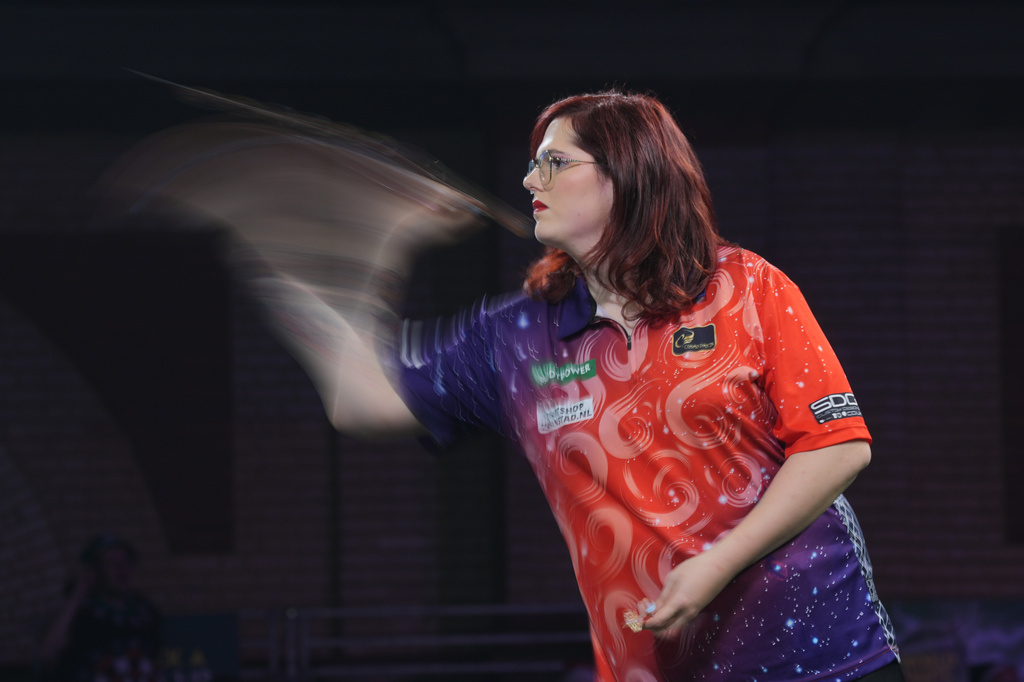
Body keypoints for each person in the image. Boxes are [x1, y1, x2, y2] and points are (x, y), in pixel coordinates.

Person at [256, 91, 903, 681]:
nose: (529, 179)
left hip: (828, 658)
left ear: (627, 173)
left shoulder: (747, 288)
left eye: (555, 162)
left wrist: (715, 565)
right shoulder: (515, 337)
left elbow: (837, 448)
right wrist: (361, 249)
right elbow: (359, 397)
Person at [37, 534, 161, 682]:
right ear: (94, 571)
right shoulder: (79, 611)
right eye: (112, 563)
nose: (122, 570)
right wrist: (79, 594)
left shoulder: (145, 612)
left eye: (126, 562)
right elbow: (48, 654)